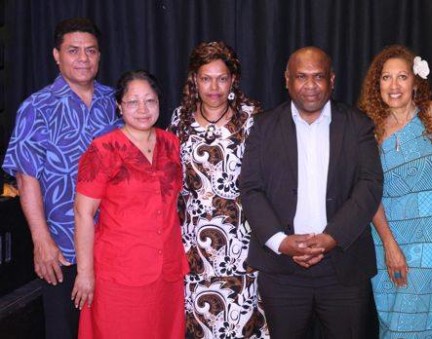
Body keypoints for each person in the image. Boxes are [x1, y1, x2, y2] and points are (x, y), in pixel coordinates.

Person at [239, 46, 383, 338]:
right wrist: (281, 242)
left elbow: (369, 185)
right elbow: (251, 188)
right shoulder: (264, 127)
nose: (310, 86)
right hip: (282, 270)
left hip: (343, 266)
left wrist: (332, 237)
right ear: (287, 80)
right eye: (301, 77)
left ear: (332, 79)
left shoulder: (358, 125)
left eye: (318, 76)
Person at [1, 17, 117, 338]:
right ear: (56, 55)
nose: (83, 58)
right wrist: (41, 241)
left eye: (91, 51)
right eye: (73, 50)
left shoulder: (117, 102)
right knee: (64, 331)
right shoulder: (35, 107)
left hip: (113, 245)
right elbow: (26, 179)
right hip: (62, 248)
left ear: (99, 55)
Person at [71, 70, 189, 338]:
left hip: (166, 271)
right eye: (133, 102)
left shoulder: (171, 144)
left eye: (150, 101)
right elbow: (83, 213)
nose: (143, 109)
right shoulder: (103, 149)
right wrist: (85, 272)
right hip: (120, 272)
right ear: (119, 106)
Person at [168, 41, 270, 338]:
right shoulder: (180, 120)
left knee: (241, 324)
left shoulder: (253, 117)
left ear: (233, 80)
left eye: (222, 78)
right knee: (202, 326)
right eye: (206, 78)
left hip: (242, 244)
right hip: (195, 250)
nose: (214, 87)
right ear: (194, 80)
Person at [357, 45, 432, 338]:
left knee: (415, 321)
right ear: (377, 84)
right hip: (385, 236)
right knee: (390, 319)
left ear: (415, 81)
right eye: (386, 78)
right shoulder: (369, 130)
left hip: (429, 237)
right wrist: (389, 246)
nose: (394, 86)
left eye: (402, 77)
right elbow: (368, 193)